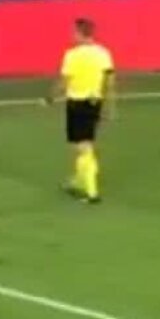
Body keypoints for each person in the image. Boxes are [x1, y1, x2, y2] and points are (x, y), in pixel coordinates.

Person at [46, 18, 115, 204]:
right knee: (83, 143)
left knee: (83, 146)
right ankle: (78, 181)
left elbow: (64, 81)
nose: (71, 35)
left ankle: (92, 192)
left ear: (79, 33)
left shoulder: (73, 55)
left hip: (77, 103)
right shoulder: (103, 53)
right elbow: (109, 81)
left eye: (73, 32)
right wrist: (109, 105)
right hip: (95, 102)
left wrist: (50, 98)